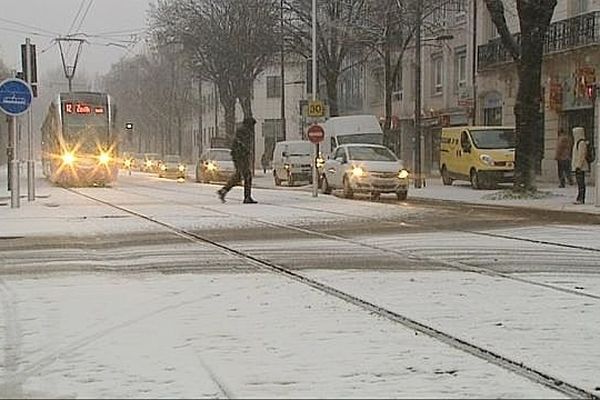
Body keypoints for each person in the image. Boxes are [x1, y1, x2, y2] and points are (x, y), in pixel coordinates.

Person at [217, 117, 257, 204]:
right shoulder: (244, 131)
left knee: (238, 176)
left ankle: (224, 190)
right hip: (241, 156)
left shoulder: (243, 130)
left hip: (239, 155)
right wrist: (246, 152)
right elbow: (242, 144)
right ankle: (247, 197)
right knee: (247, 176)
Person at [571, 127, 589, 205]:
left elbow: (581, 155)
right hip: (577, 166)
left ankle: (581, 198)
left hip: (580, 167)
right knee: (579, 183)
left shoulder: (581, 143)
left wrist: (578, 165)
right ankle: (579, 197)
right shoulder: (577, 142)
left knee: (581, 183)